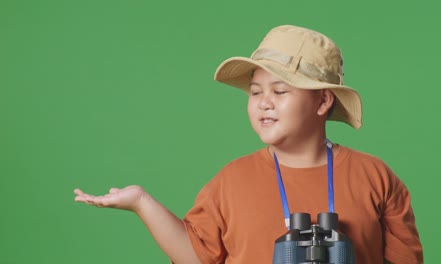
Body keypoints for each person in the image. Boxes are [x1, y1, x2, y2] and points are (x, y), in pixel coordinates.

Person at [74, 25, 423, 263]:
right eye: (256, 92)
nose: (264, 102)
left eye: (280, 91)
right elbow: (197, 256)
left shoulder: (374, 176)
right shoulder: (231, 181)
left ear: (322, 102)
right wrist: (141, 202)